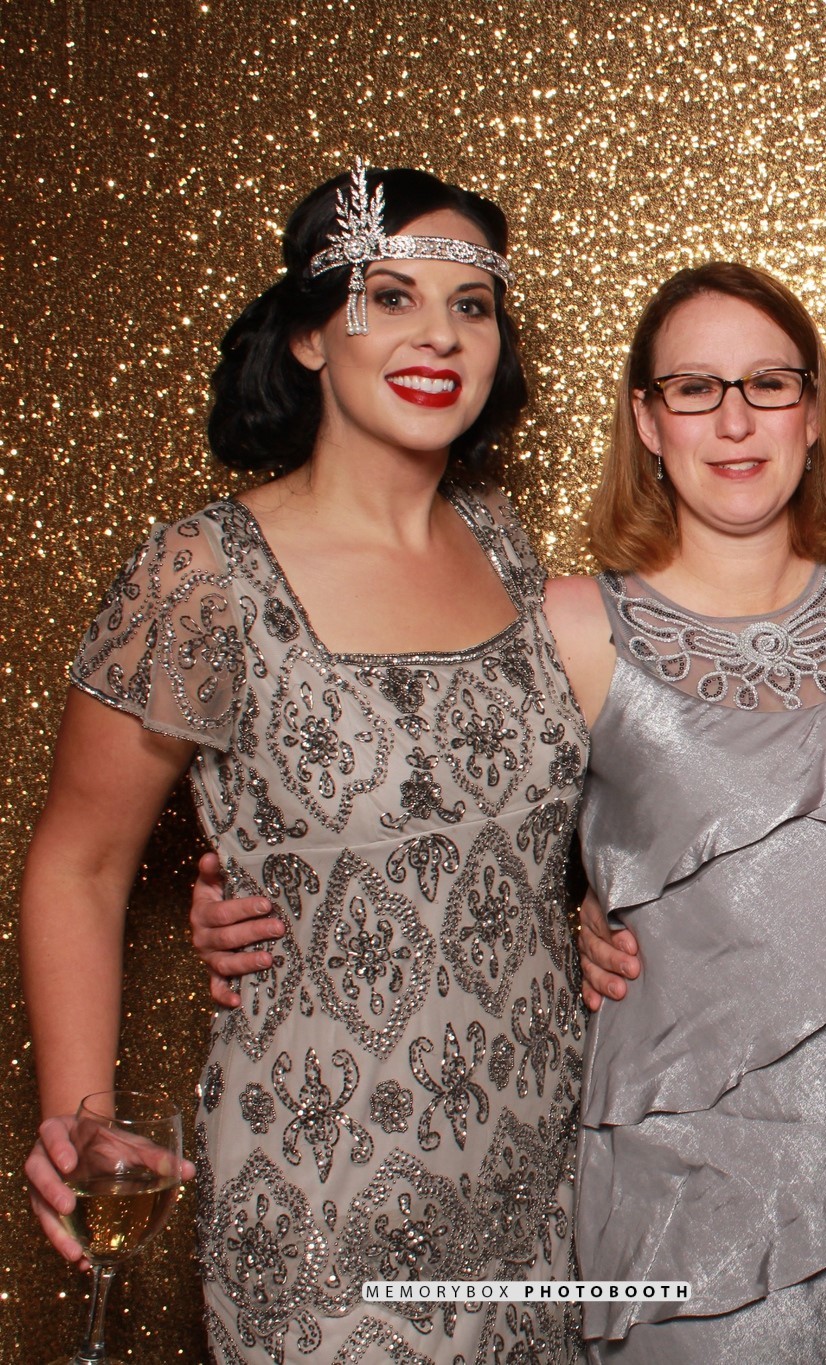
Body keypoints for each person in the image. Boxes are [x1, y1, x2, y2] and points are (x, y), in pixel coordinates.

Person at [197, 260, 826, 1361]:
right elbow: (438, 823)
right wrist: (266, 888)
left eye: (769, 385)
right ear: (647, 420)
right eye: (694, 389)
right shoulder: (571, 624)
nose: (735, 421)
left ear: (813, 411)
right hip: (681, 1167)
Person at [22, 162, 587, 1362]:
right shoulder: (202, 575)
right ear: (309, 337)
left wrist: (602, 909)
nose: (439, 335)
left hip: (544, 1178)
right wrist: (82, 1118)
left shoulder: (505, 543)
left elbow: (531, 826)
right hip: (322, 1189)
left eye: (471, 305)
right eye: (389, 297)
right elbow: (80, 863)